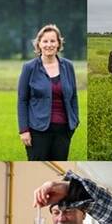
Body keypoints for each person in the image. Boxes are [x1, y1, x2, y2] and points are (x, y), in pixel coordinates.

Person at [17, 25, 79, 161]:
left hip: (63, 130)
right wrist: (23, 130)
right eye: (45, 41)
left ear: (58, 43)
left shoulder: (68, 66)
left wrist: (74, 122)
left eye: (53, 41)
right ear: (39, 44)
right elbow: (22, 100)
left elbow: (73, 96)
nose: (49, 45)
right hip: (38, 130)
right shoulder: (29, 68)